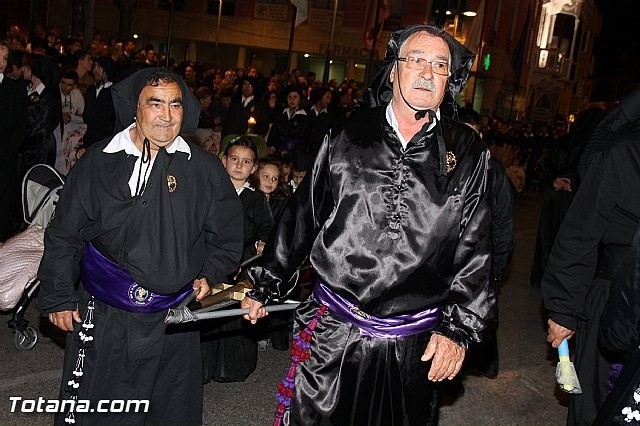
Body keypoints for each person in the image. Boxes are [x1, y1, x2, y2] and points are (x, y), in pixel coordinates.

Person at [241, 24, 495, 425]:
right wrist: (266, 282)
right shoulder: (347, 135)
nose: (428, 73)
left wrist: (459, 329)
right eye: (417, 60)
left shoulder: (467, 151)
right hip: (334, 332)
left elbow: (475, 247)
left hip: (413, 344)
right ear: (393, 70)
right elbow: (303, 215)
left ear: (450, 80)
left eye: (440, 65)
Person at [37, 67, 244, 425]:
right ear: (136, 108)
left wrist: (210, 273)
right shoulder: (99, 161)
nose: (166, 116)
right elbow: (64, 233)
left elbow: (227, 235)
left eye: (175, 105)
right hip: (106, 317)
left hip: (172, 322)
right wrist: (57, 295)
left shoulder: (204, 170)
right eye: (156, 104)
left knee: (167, 412)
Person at [543, 88, 640, 426]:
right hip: (616, 304)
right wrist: (565, 308)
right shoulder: (625, 153)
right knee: (601, 407)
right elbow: (581, 233)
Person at [0, 41, 28, 242]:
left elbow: (20, 127)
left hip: (5, 160)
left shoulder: (15, 89)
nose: (2, 62)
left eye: (4, 58)